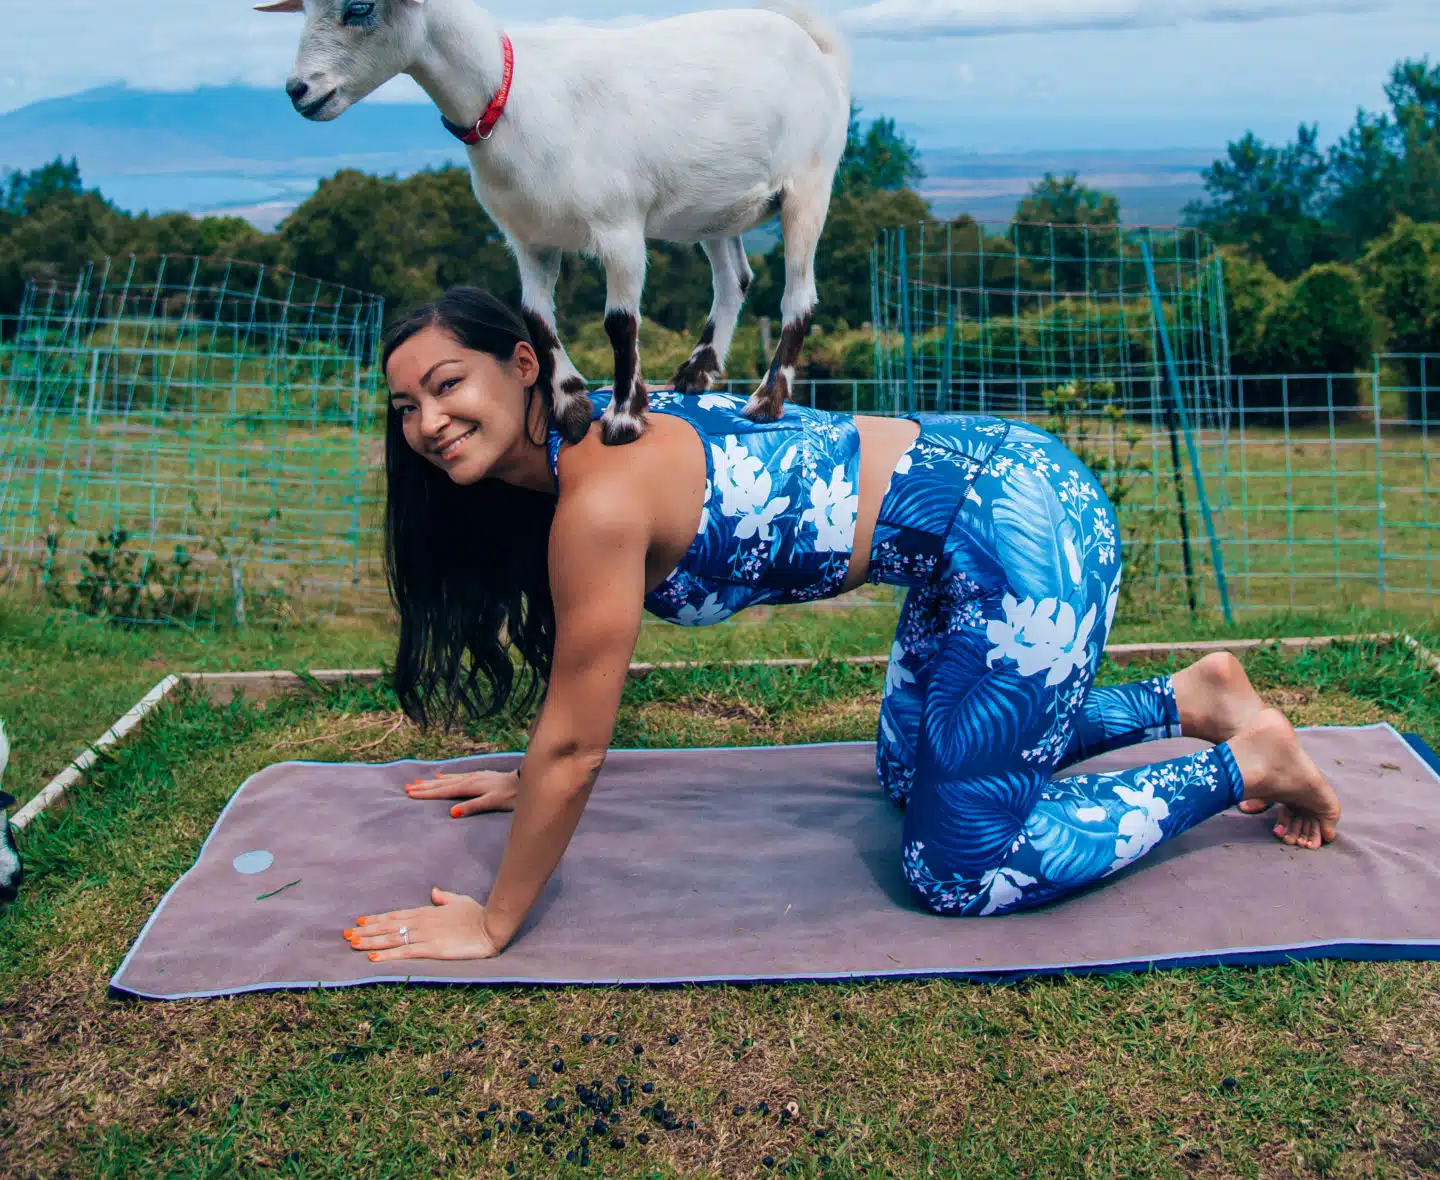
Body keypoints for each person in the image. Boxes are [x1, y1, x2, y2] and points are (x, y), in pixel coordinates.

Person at [343, 287, 1340, 963]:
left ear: (522, 365)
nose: (426, 422)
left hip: (1019, 526)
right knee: (913, 778)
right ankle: (1187, 696)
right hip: (966, 527)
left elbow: (578, 742)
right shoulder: (582, 435)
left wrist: (496, 918)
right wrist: (531, 773)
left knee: (958, 868)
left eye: (447, 386)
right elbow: (574, 691)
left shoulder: (599, 497)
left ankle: (1248, 763)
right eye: (404, 406)